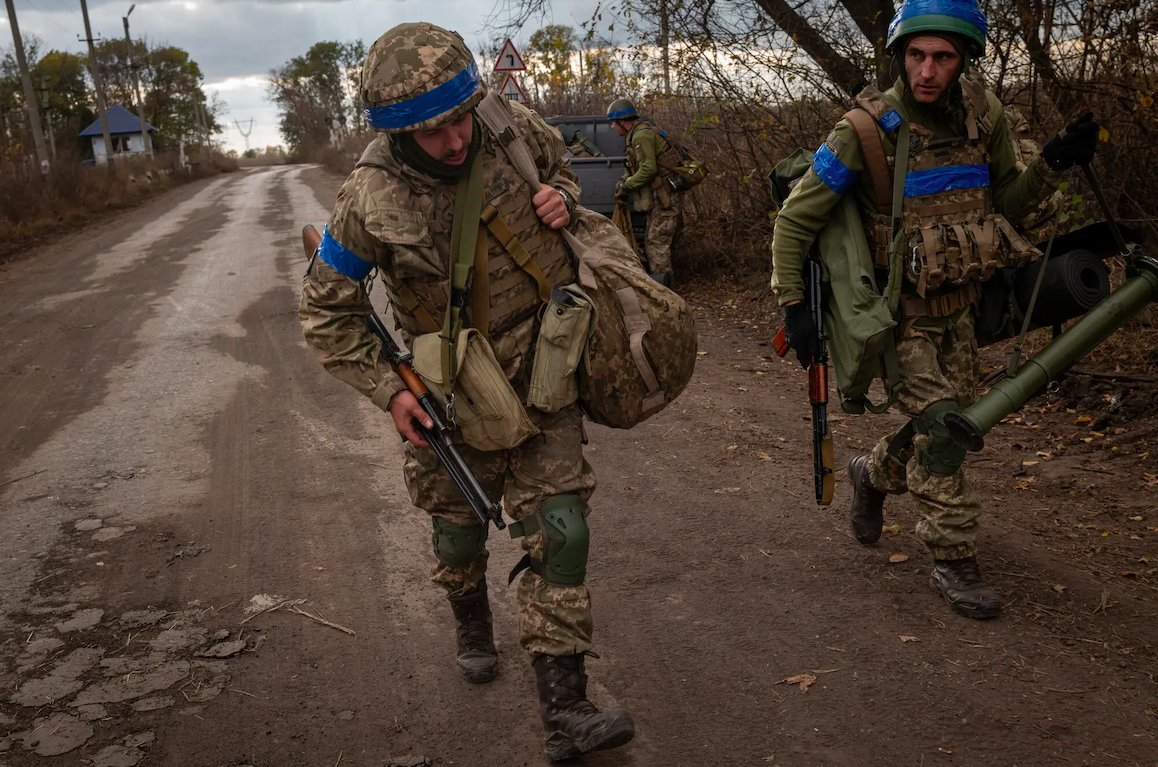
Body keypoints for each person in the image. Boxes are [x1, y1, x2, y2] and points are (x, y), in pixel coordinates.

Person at [299, 23, 634, 760]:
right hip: (447, 393)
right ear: (397, 132)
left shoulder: (510, 126)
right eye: (433, 131)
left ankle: (565, 709)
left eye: (459, 118)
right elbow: (325, 311)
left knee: (563, 529)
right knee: (457, 533)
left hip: (544, 372)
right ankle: (471, 614)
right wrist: (391, 393)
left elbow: (568, 179)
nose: (455, 141)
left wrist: (562, 202)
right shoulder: (368, 198)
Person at [770, 0, 1100, 619]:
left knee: (949, 423)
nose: (927, 70)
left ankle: (873, 473)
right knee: (946, 432)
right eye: (917, 55)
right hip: (902, 316)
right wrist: (794, 305)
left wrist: (1053, 165)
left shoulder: (985, 115)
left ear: (964, 60)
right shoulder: (864, 130)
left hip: (967, 306)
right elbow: (795, 221)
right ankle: (954, 560)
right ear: (900, 55)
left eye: (943, 57)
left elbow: (1014, 203)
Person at [608, 97, 682, 287]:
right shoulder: (634, 135)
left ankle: (665, 292)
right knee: (654, 242)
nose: (612, 128)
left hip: (665, 198)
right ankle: (664, 287)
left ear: (623, 122)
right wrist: (624, 181)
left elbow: (648, 169)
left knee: (656, 244)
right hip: (660, 197)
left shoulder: (640, 136)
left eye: (613, 123)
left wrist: (627, 186)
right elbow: (634, 166)